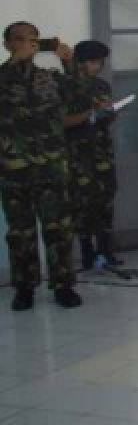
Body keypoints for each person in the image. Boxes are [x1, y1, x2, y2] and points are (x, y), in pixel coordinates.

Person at [0, 22, 83, 309]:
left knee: (58, 228)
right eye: (19, 39)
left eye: (32, 39)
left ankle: (63, 286)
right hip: (14, 168)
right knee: (20, 232)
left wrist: (68, 62)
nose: (27, 44)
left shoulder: (48, 78)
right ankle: (24, 288)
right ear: (8, 44)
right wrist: (15, 63)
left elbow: (77, 97)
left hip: (51, 166)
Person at [66, 40, 122, 269]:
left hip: (102, 153)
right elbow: (62, 121)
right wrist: (91, 113)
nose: (98, 66)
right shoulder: (65, 87)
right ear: (81, 62)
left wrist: (110, 113)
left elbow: (105, 118)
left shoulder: (101, 86)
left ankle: (106, 251)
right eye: (94, 62)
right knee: (82, 205)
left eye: (100, 62)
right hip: (79, 156)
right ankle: (87, 253)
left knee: (105, 202)